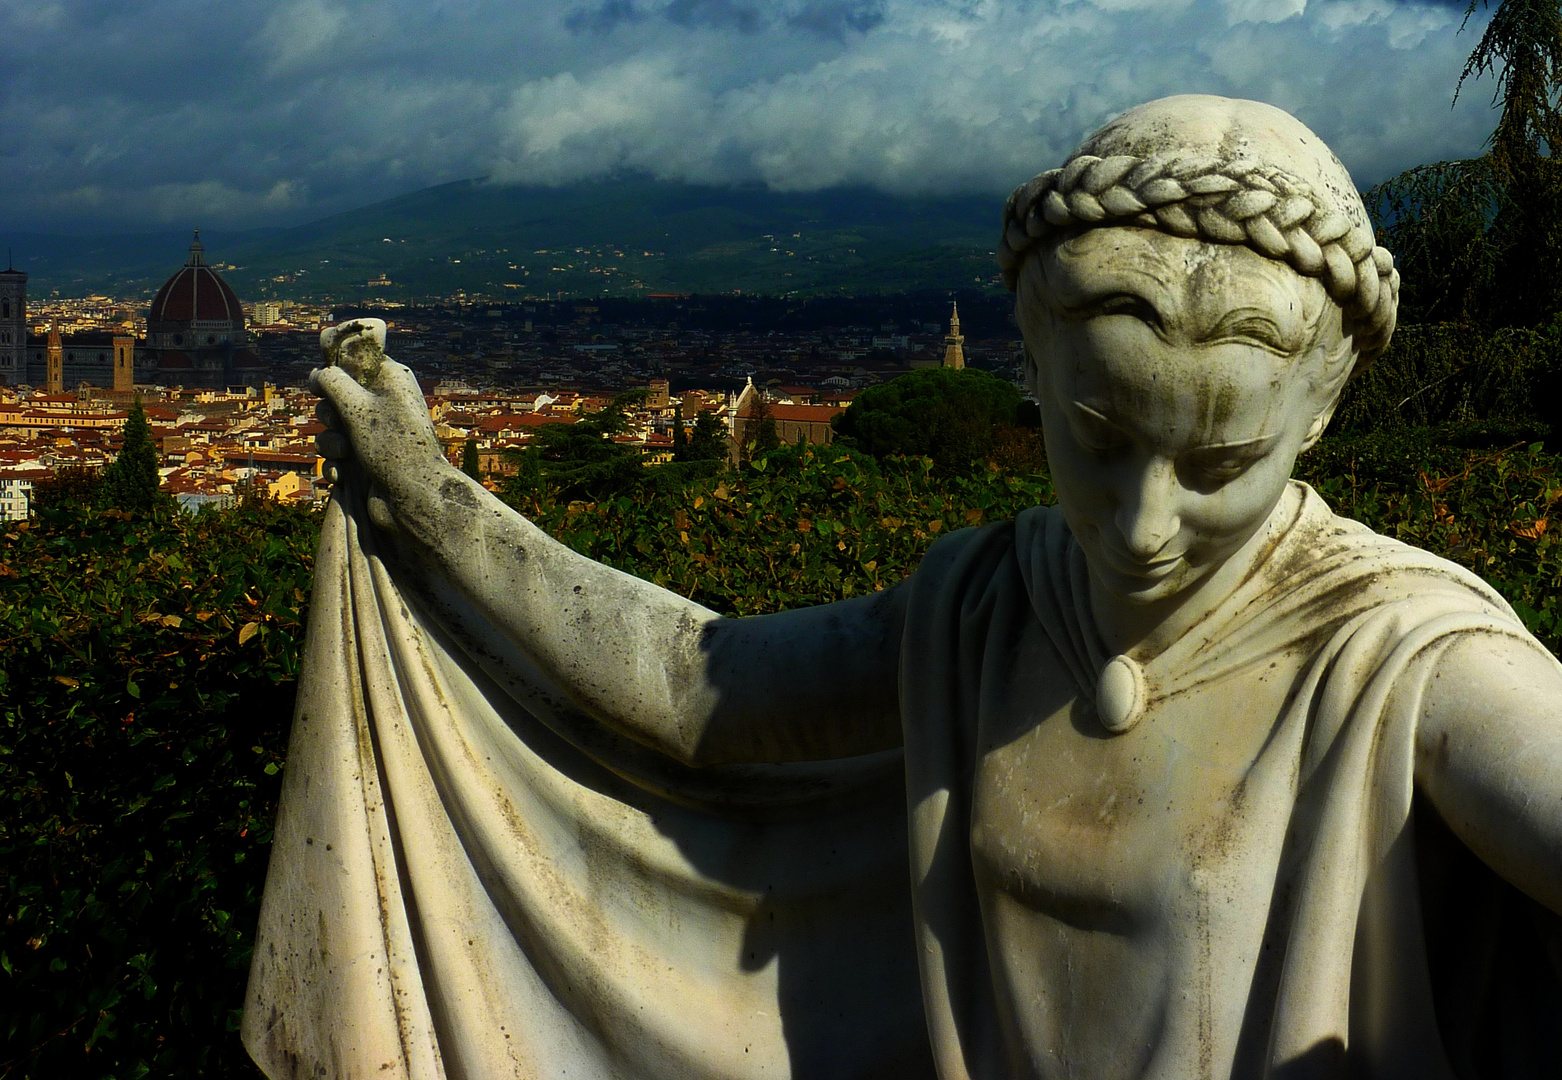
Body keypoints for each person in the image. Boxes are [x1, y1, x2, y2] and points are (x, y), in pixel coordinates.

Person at [247, 96, 1562, 1080]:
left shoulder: (1408, 664)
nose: (1145, 526)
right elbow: (694, 687)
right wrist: (432, 504)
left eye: (1218, 462)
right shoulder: (983, 609)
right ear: (1033, 374)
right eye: (1098, 440)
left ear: (1316, 413)